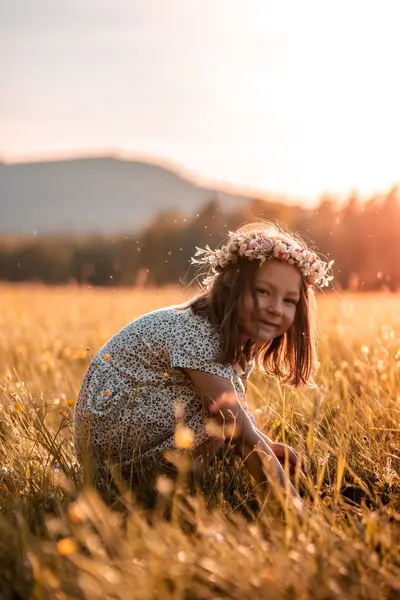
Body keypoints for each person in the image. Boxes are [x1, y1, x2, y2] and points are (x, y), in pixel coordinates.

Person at [73, 221, 333, 504]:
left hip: (121, 443)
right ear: (233, 285)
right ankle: (163, 494)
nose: (274, 307)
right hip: (116, 456)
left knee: (229, 414)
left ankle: (179, 486)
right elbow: (236, 427)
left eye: (289, 300)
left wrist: (267, 446)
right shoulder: (197, 331)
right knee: (226, 417)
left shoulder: (225, 333)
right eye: (262, 292)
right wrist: (294, 509)